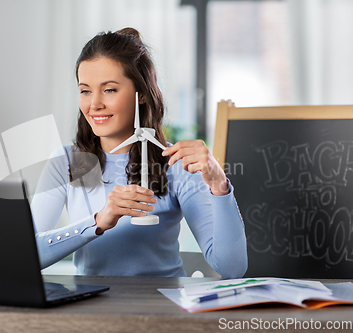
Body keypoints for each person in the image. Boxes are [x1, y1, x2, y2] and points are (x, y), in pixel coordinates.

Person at [31, 27, 247, 278]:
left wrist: (219, 184)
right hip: (90, 310)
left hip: (162, 309)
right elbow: (27, 254)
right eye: (85, 90)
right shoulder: (66, 161)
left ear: (141, 94)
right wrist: (99, 221)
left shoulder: (175, 164)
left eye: (109, 89)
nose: (94, 104)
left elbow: (232, 267)